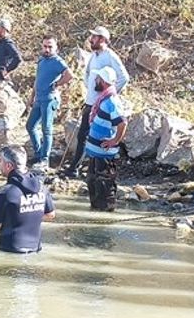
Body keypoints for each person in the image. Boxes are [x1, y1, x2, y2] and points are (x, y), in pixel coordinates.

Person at [64, 26, 129, 176]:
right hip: (90, 102)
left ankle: (87, 169)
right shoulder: (94, 55)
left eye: (94, 37)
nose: (91, 39)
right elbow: (87, 74)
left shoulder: (110, 56)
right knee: (83, 135)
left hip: (101, 105)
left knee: (95, 135)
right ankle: (76, 168)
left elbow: (124, 77)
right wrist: (91, 90)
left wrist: (108, 94)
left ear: (102, 39)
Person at [0, 146, 56, 253]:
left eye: (0, 161)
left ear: (8, 166)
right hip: (36, 250)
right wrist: (28, 215)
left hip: (10, 251)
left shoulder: (4, 192)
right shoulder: (41, 186)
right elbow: (50, 214)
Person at [84, 66, 127, 211]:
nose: (95, 81)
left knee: (105, 187)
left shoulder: (112, 101)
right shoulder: (104, 99)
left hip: (105, 154)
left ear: (102, 81)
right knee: (93, 183)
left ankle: (105, 216)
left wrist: (115, 141)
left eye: (97, 79)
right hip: (96, 153)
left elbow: (122, 123)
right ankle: (95, 213)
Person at [27, 35, 73, 168]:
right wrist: (32, 96)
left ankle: (44, 159)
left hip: (49, 99)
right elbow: (37, 79)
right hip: (39, 98)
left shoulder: (58, 61)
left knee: (46, 129)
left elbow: (69, 75)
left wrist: (57, 84)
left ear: (56, 48)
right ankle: (38, 153)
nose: (47, 49)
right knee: (30, 126)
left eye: (50, 47)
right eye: (45, 46)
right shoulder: (41, 60)